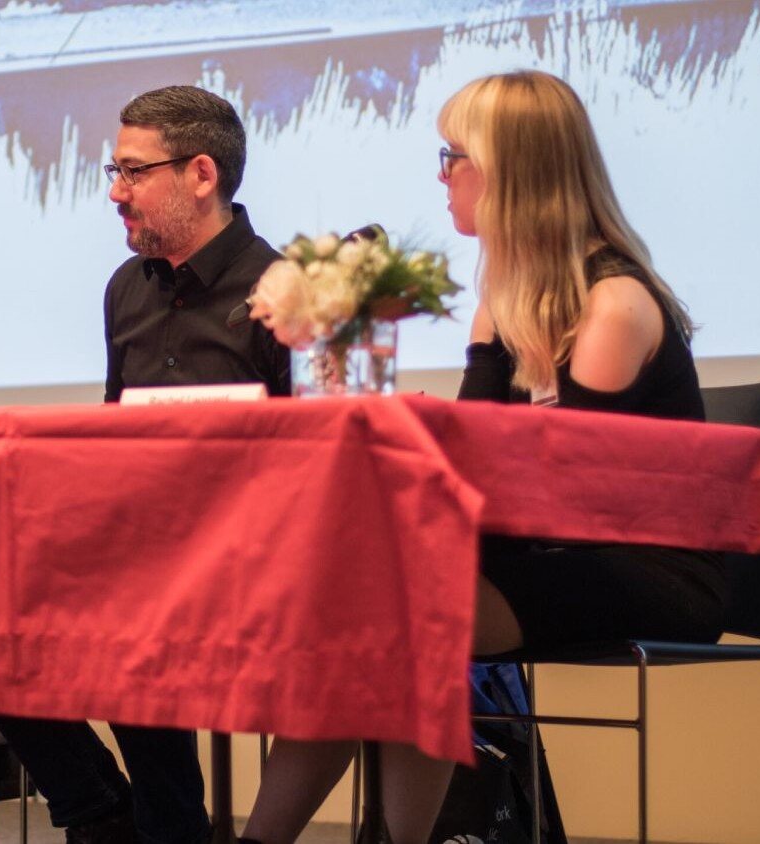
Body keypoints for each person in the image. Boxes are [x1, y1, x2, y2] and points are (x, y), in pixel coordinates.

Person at [241, 69, 725, 844]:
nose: (442, 176)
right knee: (359, 622)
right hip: (556, 554)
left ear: (508, 171)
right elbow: (481, 454)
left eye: (452, 156)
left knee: (399, 620)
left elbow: (571, 498)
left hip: (650, 571)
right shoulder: (506, 295)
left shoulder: (613, 305)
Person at [0, 84, 289, 844]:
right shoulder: (125, 288)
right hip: (133, 543)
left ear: (200, 173)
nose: (116, 194)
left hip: (240, 552)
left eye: (132, 173)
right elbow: (115, 429)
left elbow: (304, 456)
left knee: (134, 613)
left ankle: (166, 829)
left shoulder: (284, 291)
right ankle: (102, 811)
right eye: (113, 173)